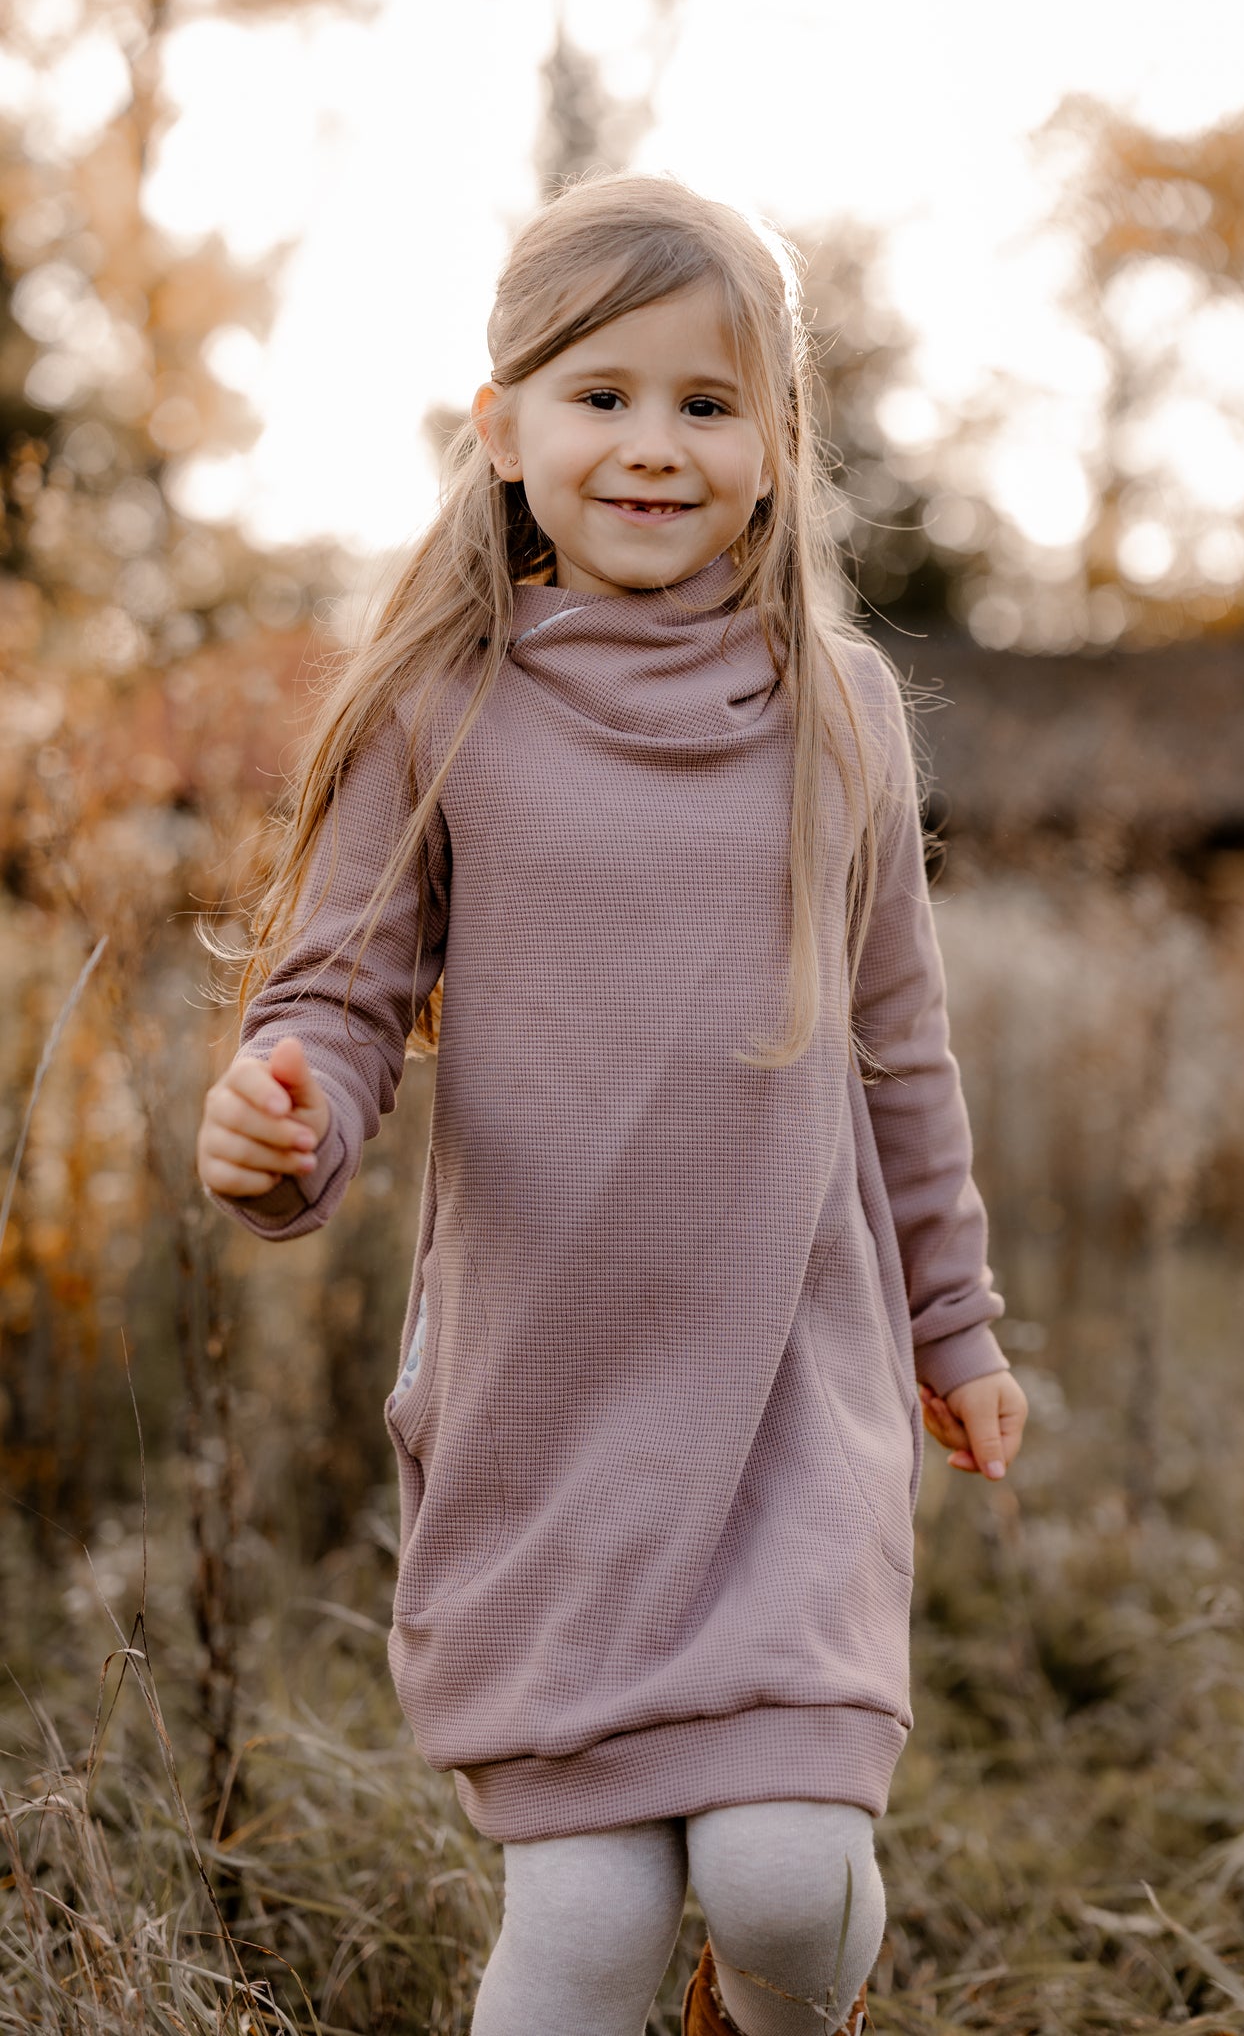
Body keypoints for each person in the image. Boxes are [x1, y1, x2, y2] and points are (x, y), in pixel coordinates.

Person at [196, 172, 1028, 2036]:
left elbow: (901, 1039)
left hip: (791, 1392)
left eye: (707, 404)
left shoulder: (839, 716)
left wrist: (954, 1319)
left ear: (774, 447)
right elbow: (335, 997)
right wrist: (280, 1126)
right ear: (500, 430)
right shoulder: (442, 704)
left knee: (787, 1886)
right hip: (550, 1405)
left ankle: (761, 2008)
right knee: (577, 1935)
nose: (652, 446)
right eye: (602, 396)